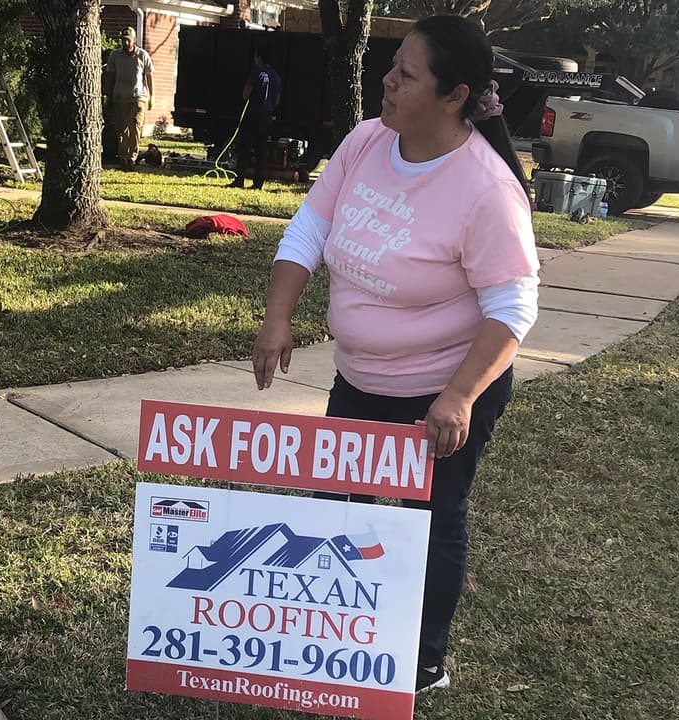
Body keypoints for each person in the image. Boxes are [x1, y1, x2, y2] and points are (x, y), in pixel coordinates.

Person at [250, 15, 539, 694]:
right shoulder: (367, 142)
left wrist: (459, 396)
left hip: (447, 387)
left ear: (455, 96)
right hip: (363, 378)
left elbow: (512, 311)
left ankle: (422, 660)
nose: (387, 81)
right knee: (332, 509)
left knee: (431, 517)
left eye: (406, 75)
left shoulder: (487, 190)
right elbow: (308, 229)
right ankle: (329, 636)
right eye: (392, 65)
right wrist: (276, 320)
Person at [229, 45, 282, 190]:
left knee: (245, 148)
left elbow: (245, 94)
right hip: (267, 118)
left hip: (253, 116)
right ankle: (258, 183)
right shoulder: (275, 76)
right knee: (261, 150)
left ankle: (239, 180)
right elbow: (276, 100)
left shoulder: (256, 73)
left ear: (259, 57)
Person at [105, 27, 154, 171]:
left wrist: (152, 95)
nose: (125, 43)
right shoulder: (115, 55)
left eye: (128, 40)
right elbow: (110, 76)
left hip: (138, 97)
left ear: (134, 40)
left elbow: (149, 76)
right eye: (123, 40)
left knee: (135, 127)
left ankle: (132, 158)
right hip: (119, 97)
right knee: (121, 130)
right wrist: (109, 94)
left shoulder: (142, 55)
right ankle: (123, 158)